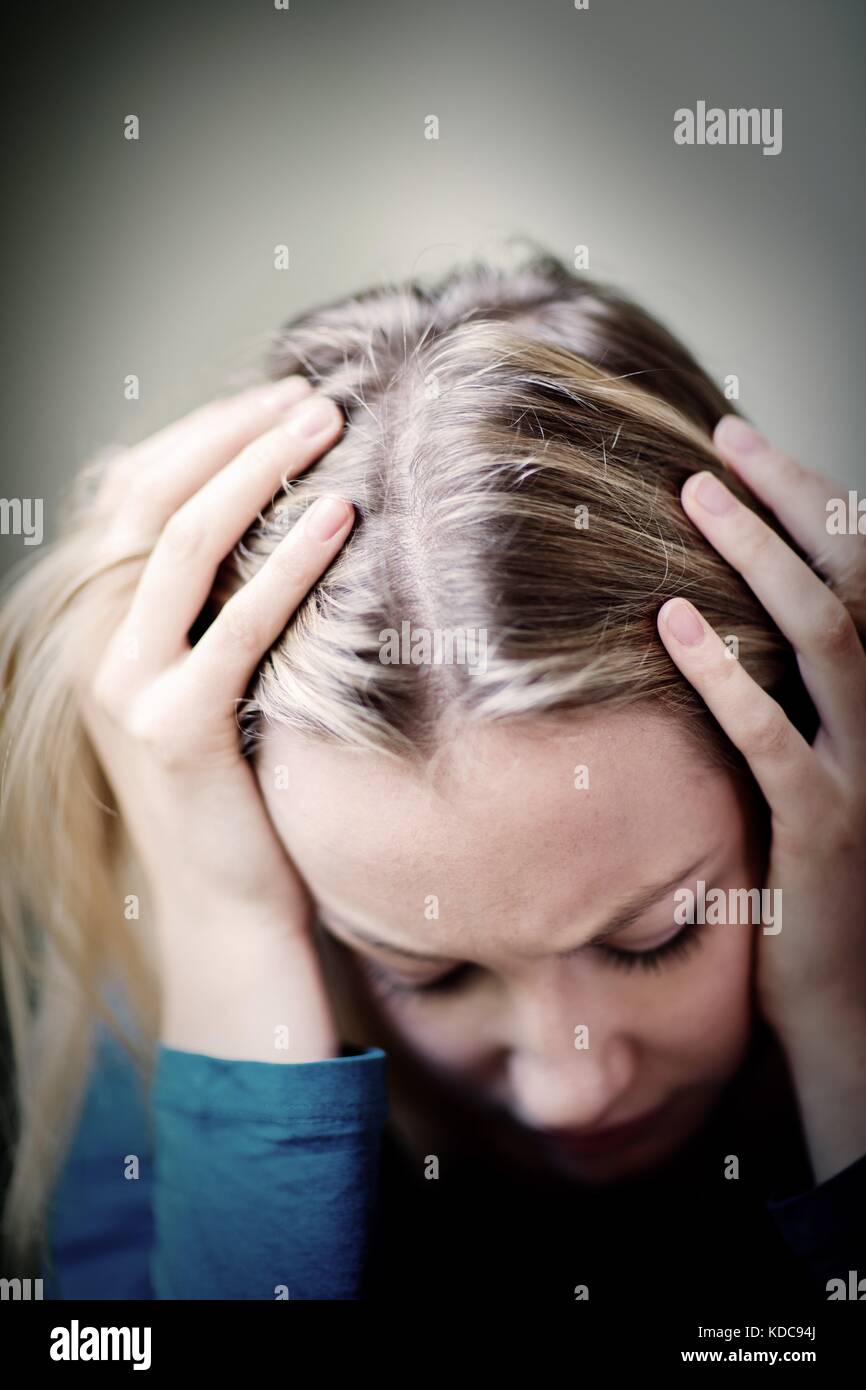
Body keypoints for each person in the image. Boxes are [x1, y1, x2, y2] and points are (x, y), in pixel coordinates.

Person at [1, 249, 864, 1303]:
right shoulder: (164, 1001)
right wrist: (228, 944)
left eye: (656, 936)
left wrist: (843, 1029)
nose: (570, 1086)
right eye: (423, 974)